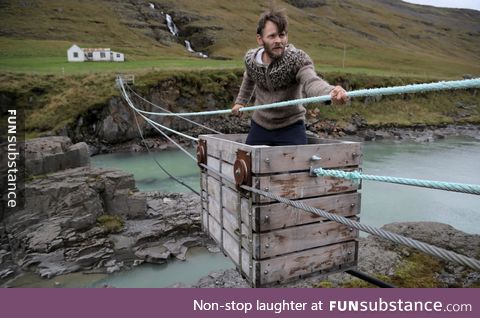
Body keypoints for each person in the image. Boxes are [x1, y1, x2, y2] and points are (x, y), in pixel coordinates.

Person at [232, 8, 348, 146]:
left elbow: (311, 81)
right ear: (260, 39)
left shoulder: (297, 60)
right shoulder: (252, 61)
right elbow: (248, 78)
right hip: (260, 126)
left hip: (291, 126)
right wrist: (240, 102)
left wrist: (330, 93)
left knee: (298, 166)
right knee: (249, 163)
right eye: (272, 36)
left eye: (282, 35)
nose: (278, 41)